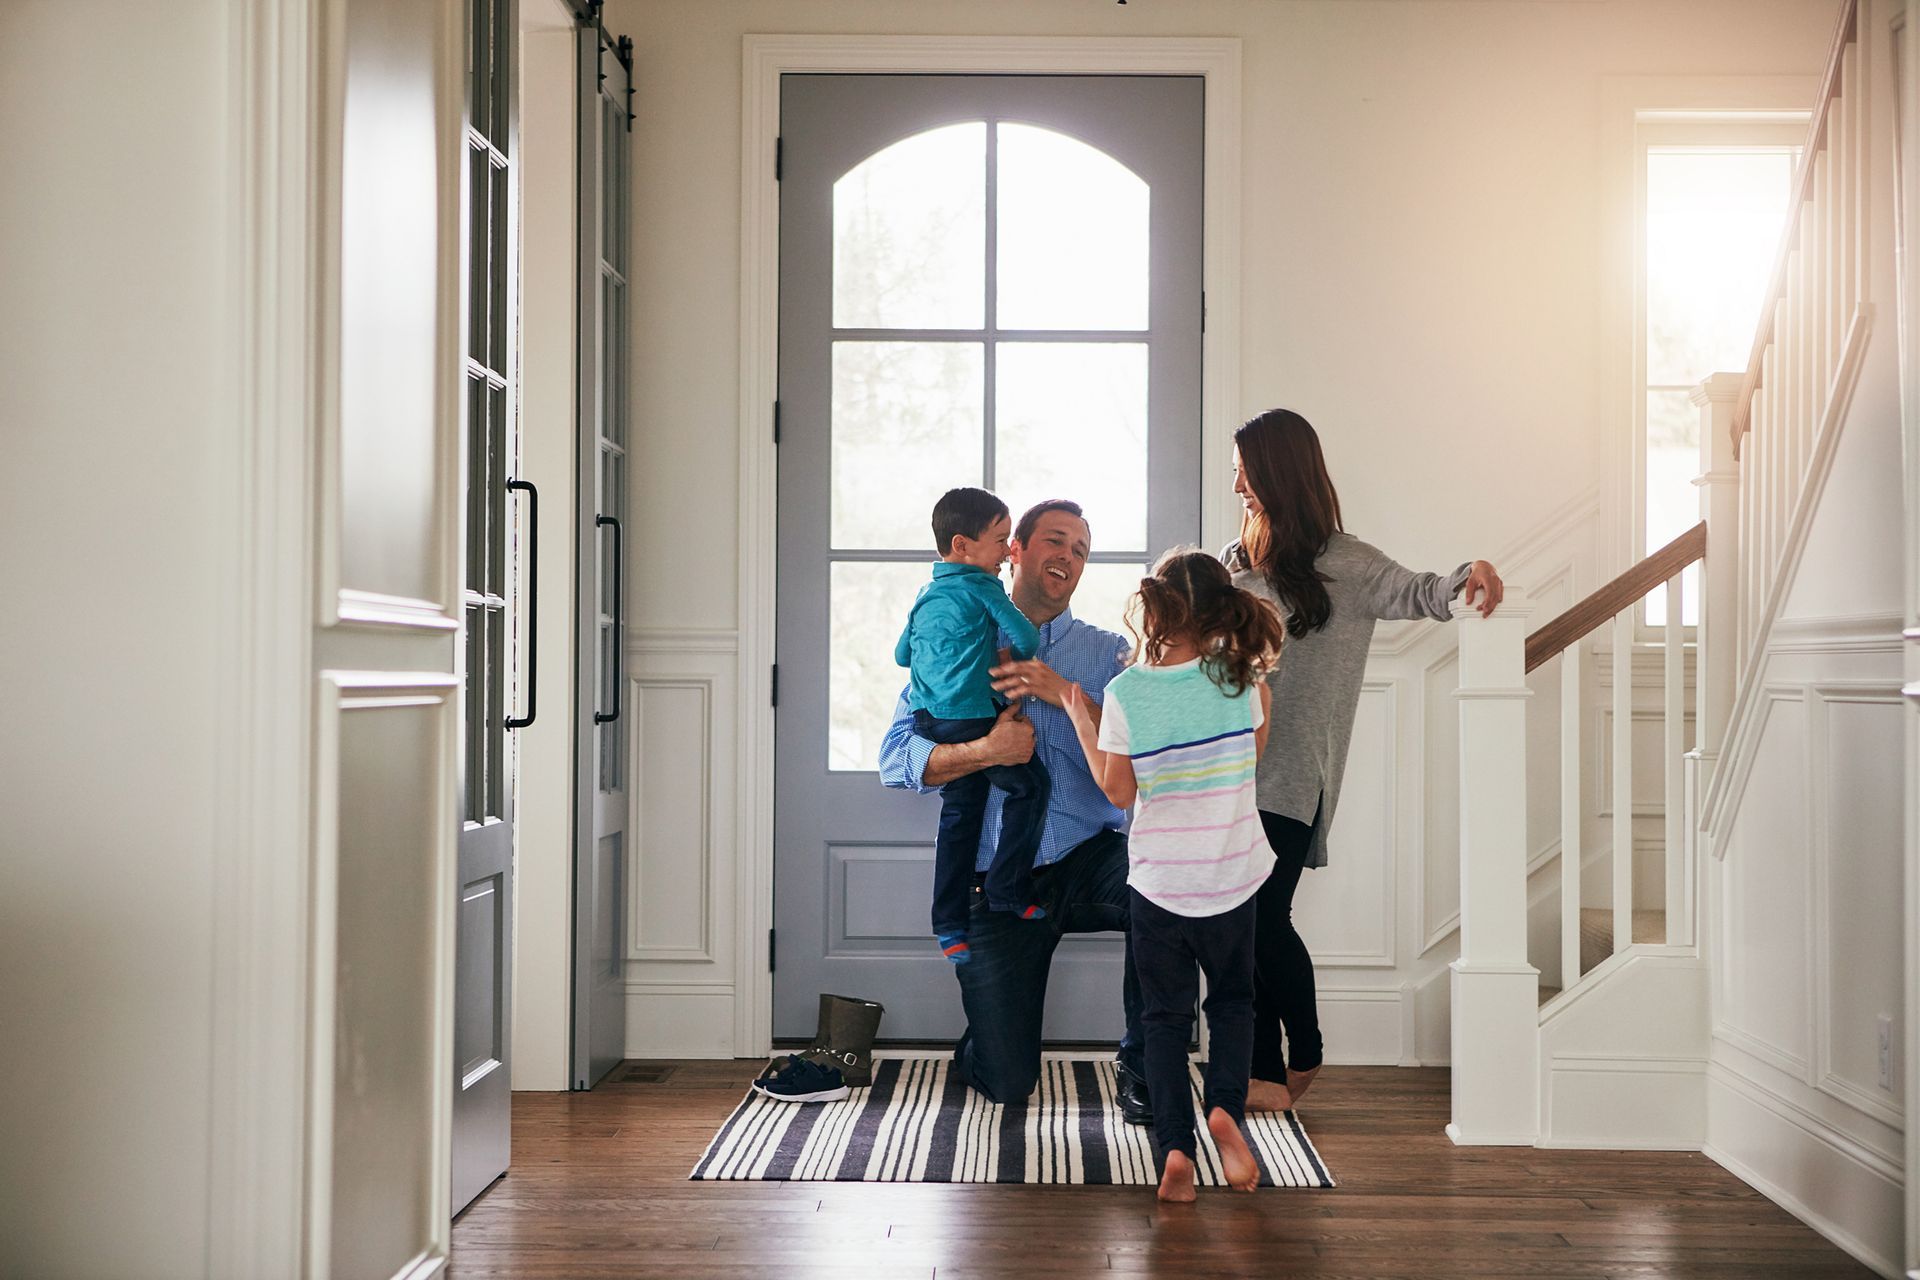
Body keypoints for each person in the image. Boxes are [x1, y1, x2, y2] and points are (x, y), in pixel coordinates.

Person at [1223, 408, 1505, 1112]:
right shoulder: (1235, 564)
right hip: (1227, 770)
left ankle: (1306, 1051)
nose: (1238, 486)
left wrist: (1471, 572)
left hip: (1294, 772)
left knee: (1262, 918)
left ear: (1281, 472)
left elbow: (1422, 591)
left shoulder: (1348, 563)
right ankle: (1260, 1073)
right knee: (1238, 925)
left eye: (1247, 471)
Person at [878, 500, 1150, 1118]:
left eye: (1080, 550)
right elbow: (894, 758)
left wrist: (1066, 694)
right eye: (1055, 540)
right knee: (1007, 1083)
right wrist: (985, 751)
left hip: (1087, 856)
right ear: (1014, 551)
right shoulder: (955, 633)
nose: (1068, 556)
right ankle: (989, 1037)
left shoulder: (1110, 654)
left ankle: (1143, 1066)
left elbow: (1144, 758)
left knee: (1162, 891)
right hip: (995, 879)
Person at [1060, 550, 1287, 1201]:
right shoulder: (1243, 681)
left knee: (1163, 1019)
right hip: (1231, 879)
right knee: (1233, 1004)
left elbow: (1118, 792)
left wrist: (1083, 722)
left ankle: (1176, 1154)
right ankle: (1224, 1110)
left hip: (1161, 886)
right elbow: (1250, 762)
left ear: (1155, 610)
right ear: (1220, 609)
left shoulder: (1127, 693)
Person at [896, 487, 1051, 964]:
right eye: (1001, 540)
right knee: (1031, 787)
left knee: (960, 816)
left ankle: (948, 926)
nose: (1007, 550)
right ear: (963, 545)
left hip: (930, 719)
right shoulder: (984, 587)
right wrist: (1012, 662)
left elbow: (902, 655)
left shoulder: (925, 594)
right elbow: (1026, 637)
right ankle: (1007, 887)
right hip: (972, 718)